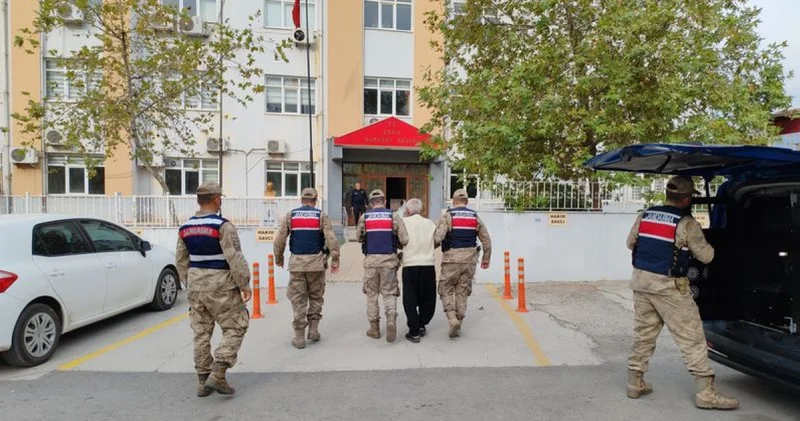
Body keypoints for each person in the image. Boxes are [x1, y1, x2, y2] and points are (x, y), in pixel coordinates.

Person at [625, 175, 738, 410]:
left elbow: (630, 243)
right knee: (692, 337)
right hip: (669, 288)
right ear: (687, 199)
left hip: (641, 282)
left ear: (667, 194)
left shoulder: (645, 215)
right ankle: (706, 393)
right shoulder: (686, 223)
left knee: (643, 334)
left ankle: (635, 383)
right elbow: (707, 256)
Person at [175, 181, 252, 397]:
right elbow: (234, 257)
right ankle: (218, 374)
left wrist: (190, 283)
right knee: (236, 326)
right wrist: (244, 284)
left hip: (195, 284)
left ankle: (202, 380)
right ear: (217, 200)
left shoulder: (185, 228)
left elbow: (181, 261)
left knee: (201, 332)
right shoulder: (222, 226)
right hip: (221, 285)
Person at [273, 188, 341, 349]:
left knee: (298, 300)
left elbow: (280, 238)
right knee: (316, 297)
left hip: (297, 264)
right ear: (315, 200)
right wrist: (335, 258)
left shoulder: (291, 215)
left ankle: (299, 338)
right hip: (316, 264)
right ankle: (313, 330)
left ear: (301, 200)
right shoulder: (321, 215)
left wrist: (279, 257)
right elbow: (331, 238)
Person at [434, 189, 491, 338]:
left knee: (445, 289)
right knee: (462, 291)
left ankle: (452, 319)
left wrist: (430, 247)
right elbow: (486, 240)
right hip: (470, 260)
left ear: (453, 202)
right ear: (467, 202)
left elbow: (438, 238)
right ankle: (459, 322)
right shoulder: (475, 217)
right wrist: (486, 259)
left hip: (451, 260)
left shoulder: (448, 216)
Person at [357, 189, 408, 342]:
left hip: (371, 262)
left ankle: (374, 329)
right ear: (384, 201)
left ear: (371, 204)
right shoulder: (393, 216)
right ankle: (391, 320)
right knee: (389, 293)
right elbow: (404, 239)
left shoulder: (364, 217)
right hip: (389, 261)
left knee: (371, 295)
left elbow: (358, 238)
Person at [400, 198, 438, 343]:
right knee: (427, 298)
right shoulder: (429, 223)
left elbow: (400, 240)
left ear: (408, 210)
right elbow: (436, 240)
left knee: (410, 298)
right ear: (420, 210)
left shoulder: (403, 222)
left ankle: (414, 331)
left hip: (410, 264)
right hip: (428, 264)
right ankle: (422, 324)